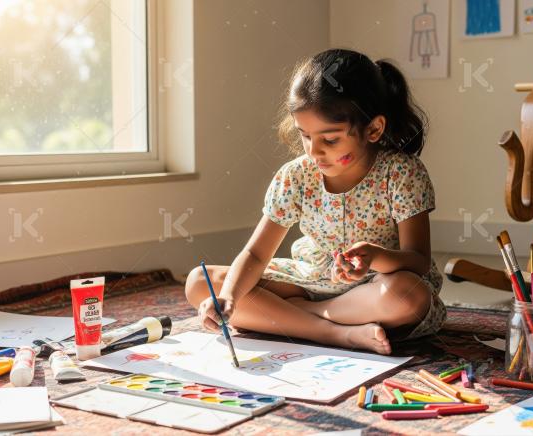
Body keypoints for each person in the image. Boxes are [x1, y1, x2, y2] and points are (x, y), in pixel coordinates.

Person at [184, 49, 445, 355]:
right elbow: (256, 255)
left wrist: (374, 258)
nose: (313, 151)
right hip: (311, 281)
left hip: (372, 292)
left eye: (330, 140)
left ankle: (292, 318)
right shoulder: (296, 176)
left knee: (408, 297)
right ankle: (336, 334)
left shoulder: (402, 173)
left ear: (374, 129)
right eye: (305, 136)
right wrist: (229, 296)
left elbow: (418, 260)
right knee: (200, 283)